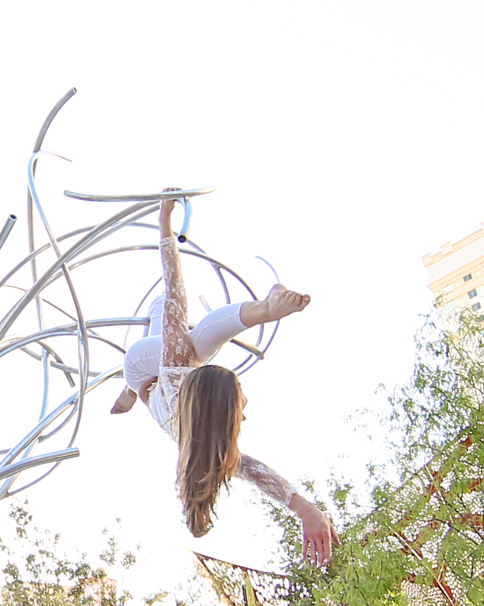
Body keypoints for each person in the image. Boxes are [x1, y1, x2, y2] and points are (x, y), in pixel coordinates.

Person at [109, 207, 335, 563]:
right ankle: (266, 307)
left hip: (142, 367)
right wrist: (305, 508)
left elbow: (175, 289)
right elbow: (253, 470)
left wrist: (165, 222)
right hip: (163, 389)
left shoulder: (178, 364)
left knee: (190, 340)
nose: (244, 415)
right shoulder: (201, 442)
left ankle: (266, 310)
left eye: (240, 407)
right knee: (190, 336)